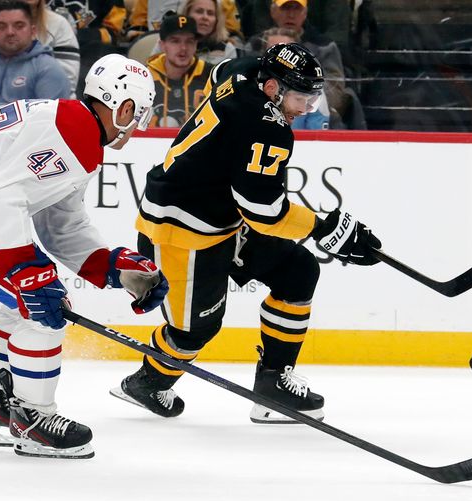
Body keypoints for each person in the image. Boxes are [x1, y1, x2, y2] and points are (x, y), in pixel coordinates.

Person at [0, 53, 167, 459]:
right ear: (125, 107)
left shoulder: (76, 129)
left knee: (26, 299)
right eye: (140, 115)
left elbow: (61, 224)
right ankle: (33, 418)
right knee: (43, 305)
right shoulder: (71, 130)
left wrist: (110, 265)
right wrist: (28, 273)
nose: (138, 127)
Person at [110, 43, 381, 423]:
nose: (306, 108)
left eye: (311, 97)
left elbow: (219, 70)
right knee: (194, 331)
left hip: (221, 218)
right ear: (272, 88)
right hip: (180, 231)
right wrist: (325, 227)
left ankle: (273, 386)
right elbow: (264, 213)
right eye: (301, 97)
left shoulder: (241, 72)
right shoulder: (267, 130)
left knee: (298, 271)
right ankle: (147, 382)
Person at [0, 0, 80, 97]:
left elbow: (65, 84)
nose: (10, 32)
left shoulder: (59, 24)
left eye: (19, 26)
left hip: (50, 103)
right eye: (2, 26)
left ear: (33, 31)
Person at [245, 27, 328, 129]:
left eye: (288, 52)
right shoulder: (246, 85)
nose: (282, 57)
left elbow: (316, 135)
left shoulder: (312, 88)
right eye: (277, 51)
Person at [146, 14, 213, 127]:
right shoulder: (144, 77)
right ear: (162, 45)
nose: (183, 48)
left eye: (189, 41)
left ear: (196, 45)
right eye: (175, 41)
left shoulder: (212, 75)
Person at [177, 0, 238, 65]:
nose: (205, 17)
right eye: (199, 11)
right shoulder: (170, 45)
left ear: (217, 20)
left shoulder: (227, 51)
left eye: (210, 13)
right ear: (186, 15)